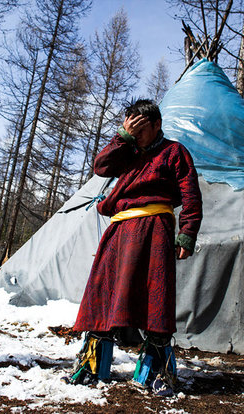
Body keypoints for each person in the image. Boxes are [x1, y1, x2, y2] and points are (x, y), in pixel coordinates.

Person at [65, 99, 203, 396]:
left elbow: (191, 194)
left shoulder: (175, 152)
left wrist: (187, 233)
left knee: (156, 298)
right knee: (103, 292)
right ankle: (92, 366)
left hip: (155, 227)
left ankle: (155, 372)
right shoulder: (126, 151)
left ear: (157, 125)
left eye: (142, 128)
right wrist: (123, 137)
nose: (137, 134)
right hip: (119, 228)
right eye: (132, 127)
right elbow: (101, 166)